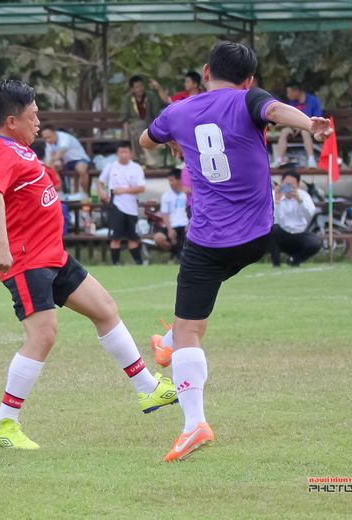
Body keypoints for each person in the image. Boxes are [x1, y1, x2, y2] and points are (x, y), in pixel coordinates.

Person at [0, 79, 176, 450]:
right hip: (26, 260)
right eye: (33, 116)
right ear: (12, 121)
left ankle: (148, 388)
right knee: (43, 335)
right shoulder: (1, 152)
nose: (38, 122)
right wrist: (2, 247)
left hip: (52, 254)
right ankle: (4, 423)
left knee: (105, 309)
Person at [140, 41, 332, 461]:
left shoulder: (177, 112)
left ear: (206, 72)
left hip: (208, 241)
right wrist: (309, 124)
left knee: (191, 329)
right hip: (258, 237)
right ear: (249, 80)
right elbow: (276, 111)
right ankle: (168, 343)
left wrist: (171, 140)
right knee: (188, 322)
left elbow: (145, 140)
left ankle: (194, 424)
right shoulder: (250, 100)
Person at [97, 142, 146, 266]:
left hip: (131, 208)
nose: (123, 155)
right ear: (117, 153)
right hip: (116, 206)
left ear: (130, 154)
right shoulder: (111, 167)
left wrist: (123, 190)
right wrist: (102, 193)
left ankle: (139, 263)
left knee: (133, 238)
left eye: (126, 152)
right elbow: (100, 182)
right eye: (121, 152)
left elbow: (141, 188)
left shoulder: (136, 168)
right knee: (115, 238)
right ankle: (116, 264)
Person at [270, 170, 322, 267]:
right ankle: (276, 264)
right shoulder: (274, 195)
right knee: (273, 229)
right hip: (281, 235)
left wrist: (299, 201)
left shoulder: (304, 196)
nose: (288, 188)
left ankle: (294, 260)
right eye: (286, 184)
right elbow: (274, 220)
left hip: (299, 235)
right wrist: (277, 202)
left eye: (292, 185)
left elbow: (310, 216)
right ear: (281, 183)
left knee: (316, 242)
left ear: (297, 185)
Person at [271, 81, 324, 168]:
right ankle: (278, 159)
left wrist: (302, 125)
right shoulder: (292, 102)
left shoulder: (313, 101)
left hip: (309, 128)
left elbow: (317, 118)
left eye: (289, 92)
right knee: (284, 132)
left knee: (304, 132)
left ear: (296, 91)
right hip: (293, 127)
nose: (287, 95)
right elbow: (288, 117)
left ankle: (311, 160)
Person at [121, 75, 163, 166]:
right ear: (132, 89)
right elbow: (124, 117)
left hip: (149, 124)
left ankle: (143, 158)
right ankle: (147, 156)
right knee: (138, 125)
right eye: (137, 87)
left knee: (140, 126)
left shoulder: (151, 96)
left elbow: (156, 114)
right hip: (134, 125)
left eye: (141, 86)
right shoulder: (127, 99)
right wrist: (134, 121)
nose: (140, 89)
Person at [40, 125, 91, 197]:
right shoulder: (48, 143)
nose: (47, 140)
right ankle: (59, 192)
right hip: (66, 163)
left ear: (54, 133)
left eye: (49, 137)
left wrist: (49, 163)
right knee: (52, 168)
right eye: (45, 138)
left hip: (79, 159)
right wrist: (50, 165)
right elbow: (51, 156)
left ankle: (85, 194)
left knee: (81, 170)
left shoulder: (64, 137)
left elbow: (61, 152)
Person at [154, 169, 188, 260]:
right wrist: (170, 229)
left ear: (180, 180)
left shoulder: (187, 194)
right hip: (172, 225)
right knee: (158, 237)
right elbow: (165, 214)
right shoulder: (166, 196)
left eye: (172, 180)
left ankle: (179, 255)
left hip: (186, 225)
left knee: (188, 235)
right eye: (169, 180)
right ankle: (174, 251)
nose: (170, 183)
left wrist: (189, 224)